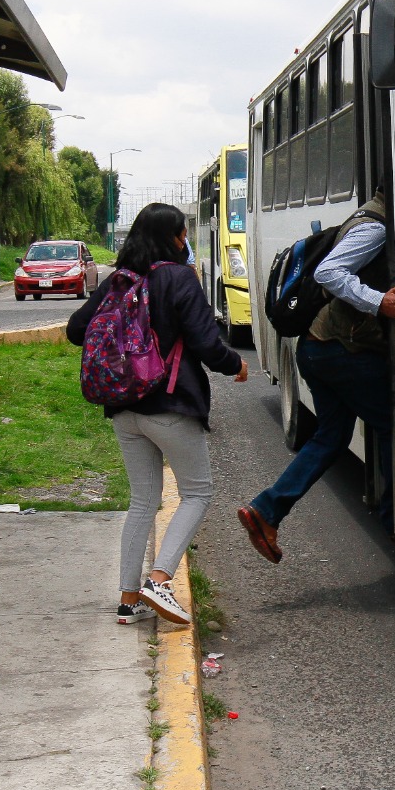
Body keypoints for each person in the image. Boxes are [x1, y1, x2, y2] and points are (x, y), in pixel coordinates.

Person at [68, 202, 248, 625]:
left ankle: (129, 601)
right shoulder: (180, 278)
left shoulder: (117, 279)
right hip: (169, 404)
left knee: (143, 500)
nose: (186, 241)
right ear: (173, 237)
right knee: (198, 492)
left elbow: (77, 330)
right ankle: (160, 579)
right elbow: (206, 341)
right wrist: (235, 365)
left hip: (124, 408)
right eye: (183, 233)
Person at [238, 190, 395, 563]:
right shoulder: (376, 228)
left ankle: (266, 511)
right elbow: (328, 273)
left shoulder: (369, 216)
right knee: (393, 424)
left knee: (331, 437)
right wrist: (380, 302)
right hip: (339, 351)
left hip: (317, 348)